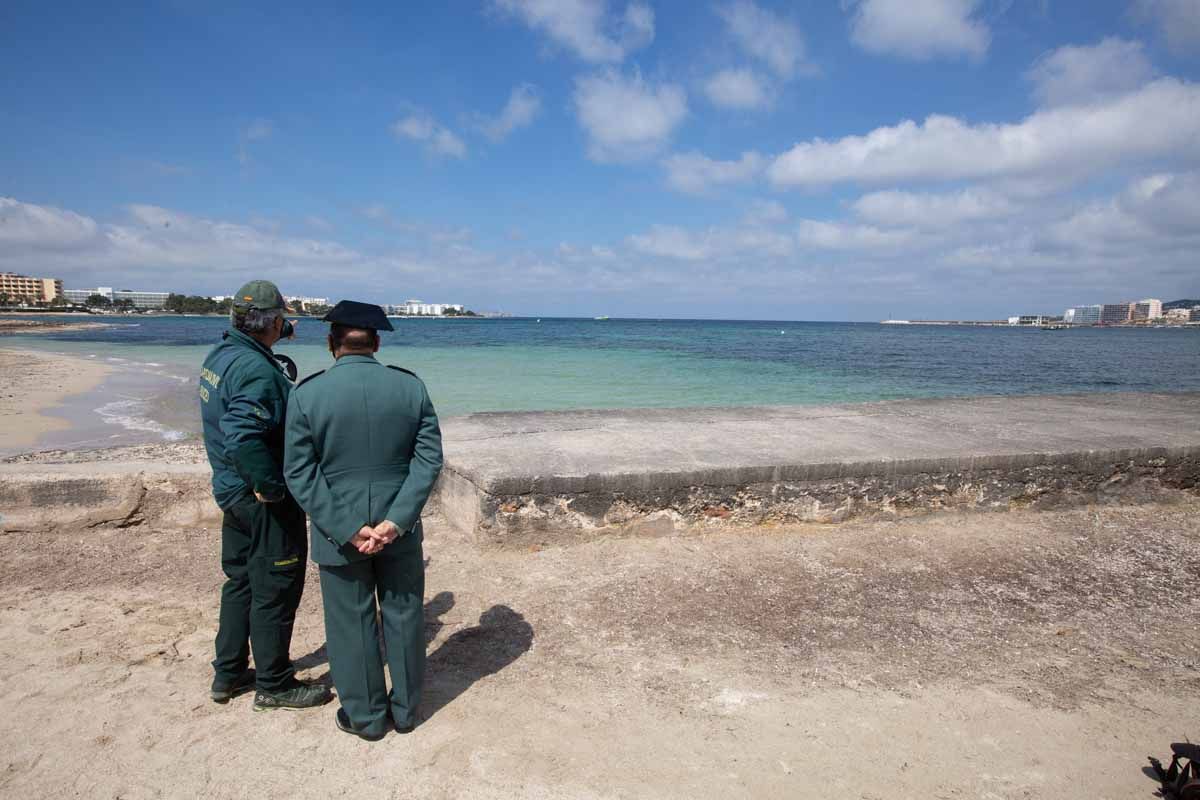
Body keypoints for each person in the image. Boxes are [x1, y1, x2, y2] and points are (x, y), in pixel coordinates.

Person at [284, 300, 443, 741]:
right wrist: (395, 520)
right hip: (400, 528)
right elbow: (428, 460)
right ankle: (407, 712)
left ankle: (367, 719)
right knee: (405, 614)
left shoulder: (307, 394)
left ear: (332, 343)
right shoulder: (409, 388)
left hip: (339, 533)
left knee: (350, 622)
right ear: (376, 341)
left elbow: (299, 472)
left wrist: (348, 527)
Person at [198, 280, 331, 711]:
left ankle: (230, 671)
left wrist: (280, 333)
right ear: (271, 321)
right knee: (275, 585)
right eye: (281, 319)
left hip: (230, 490)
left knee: (240, 581)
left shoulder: (222, 355)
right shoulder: (255, 370)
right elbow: (242, 435)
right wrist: (272, 489)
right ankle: (274, 683)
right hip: (258, 497)